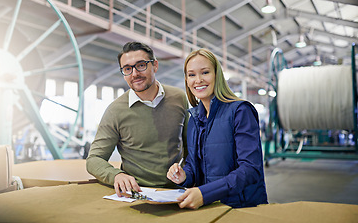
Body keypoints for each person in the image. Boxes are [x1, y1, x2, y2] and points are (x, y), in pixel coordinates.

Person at [167, 48, 268, 209]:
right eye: (191, 75)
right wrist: (184, 176)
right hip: (208, 206)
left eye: (205, 72)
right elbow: (193, 165)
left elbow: (250, 169)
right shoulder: (193, 118)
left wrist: (205, 193)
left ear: (217, 75)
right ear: (186, 80)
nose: (198, 80)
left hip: (241, 207)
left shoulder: (240, 111)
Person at [87, 42, 188, 197]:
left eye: (141, 65)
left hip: (178, 190)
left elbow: (191, 147)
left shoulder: (178, 98)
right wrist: (116, 175)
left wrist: (189, 174)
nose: (134, 74)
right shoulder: (116, 110)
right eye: (127, 69)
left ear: (155, 65)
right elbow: (94, 159)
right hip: (138, 193)